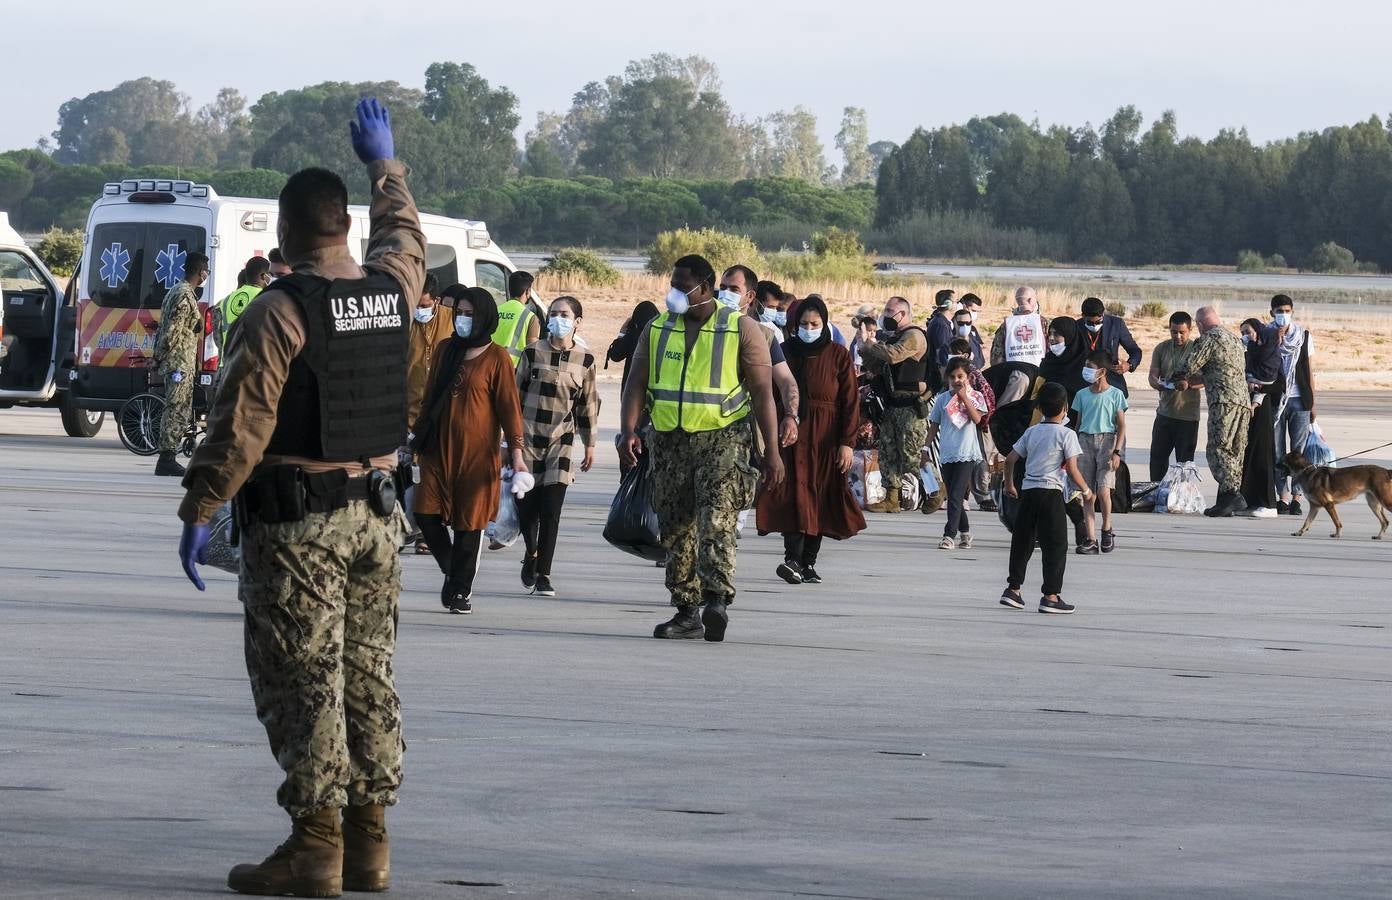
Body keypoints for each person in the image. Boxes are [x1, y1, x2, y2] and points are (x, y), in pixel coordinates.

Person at [175, 99, 425, 896]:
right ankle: (370, 843)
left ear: (281, 236)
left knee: (302, 676)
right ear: (345, 226)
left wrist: (200, 507)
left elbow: (240, 426)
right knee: (368, 671)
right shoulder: (391, 289)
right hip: (378, 519)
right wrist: (386, 167)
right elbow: (407, 239)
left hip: (300, 522)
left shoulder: (280, 311)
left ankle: (316, 849)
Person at [619, 254, 783, 642]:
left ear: (705, 288)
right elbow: (636, 384)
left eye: (681, 286)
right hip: (669, 441)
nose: (673, 292)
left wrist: (772, 451)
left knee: (717, 520)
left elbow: (763, 393)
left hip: (723, 440)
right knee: (675, 528)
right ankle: (686, 610)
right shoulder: (658, 328)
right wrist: (628, 431)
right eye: (672, 284)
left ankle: (717, 600)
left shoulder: (741, 329)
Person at [412, 285, 530, 614]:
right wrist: (415, 439)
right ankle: (452, 569)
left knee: (469, 524)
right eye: (459, 313)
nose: (463, 320)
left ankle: (461, 590)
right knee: (424, 514)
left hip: (477, 456)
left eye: (469, 314)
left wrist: (516, 454)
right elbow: (429, 396)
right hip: (437, 450)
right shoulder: (446, 348)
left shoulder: (497, 358)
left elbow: (510, 410)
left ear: (485, 318)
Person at [756, 295, 864, 584]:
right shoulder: (785, 350)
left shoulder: (838, 354)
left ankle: (808, 563)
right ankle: (792, 558)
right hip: (791, 434)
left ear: (825, 323)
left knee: (820, 495)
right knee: (793, 493)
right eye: (803, 323)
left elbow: (850, 402)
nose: (809, 328)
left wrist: (847, 442)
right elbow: (770, 392)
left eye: (815, 323)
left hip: (826, 437)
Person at [515, 296, 599, 597]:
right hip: (526, 439)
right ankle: (531, 550)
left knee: (551, 510)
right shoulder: (531, 353)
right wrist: (506, 440)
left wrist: (590, 445)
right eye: (553, 313)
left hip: (560, 442)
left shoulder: (585, 360)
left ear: (577, 321)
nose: (557, 319)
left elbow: (588, 406)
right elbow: (513, 398)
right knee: (526, 508)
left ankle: (544, 575)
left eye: (564, 314)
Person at [1001, 383, 1094, 615]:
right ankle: (1050, 595)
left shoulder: (1031, 432)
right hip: (1051, 494)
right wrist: (1086, 490)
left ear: (1040, 407)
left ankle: (1013, 589)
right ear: (1065, 407)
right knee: (1055, 544)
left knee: (1022, 541)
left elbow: (1010, 459)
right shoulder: (1067, 434)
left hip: (1029, 492)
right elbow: (1072, 469)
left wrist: (1010, 484)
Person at [1174, 306, 1250, 517]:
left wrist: (1177, 377)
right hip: (1243, 404)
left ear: (1199, 325)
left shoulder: (1210, 338)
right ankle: (1228, 500)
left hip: (1223, 403)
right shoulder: (1234, 340)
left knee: (1217, 449)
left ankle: (1232, 494)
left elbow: (1190, 364)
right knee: (1235, 451)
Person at [858, 296, 929, 514]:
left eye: (890, 311)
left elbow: (892, 356)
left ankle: (936, 490)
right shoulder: (892, 337)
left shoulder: (914, 336)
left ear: (903, 314)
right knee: (888, 453)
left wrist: (871, 343)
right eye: (885, 310)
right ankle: (892, 497)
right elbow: (876, 366)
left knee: (911, 456)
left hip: (910, 407)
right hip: (891, 404)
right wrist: (864, 348)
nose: (885, 315)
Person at [719, 265, 800, 447]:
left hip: (745, 434)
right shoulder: (703, 331)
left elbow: (787, 381)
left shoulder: (764, 336)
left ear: (750, 297)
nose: (725, 295)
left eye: (734, 290)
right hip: (703, 430)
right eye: (723, 288)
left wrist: (791, 415)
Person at [151, 250, 209, 477]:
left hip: (180, 361)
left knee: (180, 408)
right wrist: (159, 356)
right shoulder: (184, 295)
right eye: (206, 271)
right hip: (178, 362)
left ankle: (168, 456)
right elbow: (172, 330)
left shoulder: (176, 291)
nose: (207, 275)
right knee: (176, 409)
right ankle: (166, 458)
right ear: (200, 272)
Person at [927, 357, 989, 550]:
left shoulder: (976, 396)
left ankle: (949, 535)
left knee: (955, 495)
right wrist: (924, 449)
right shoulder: (942, 399)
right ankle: (965, 531)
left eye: (960, 376)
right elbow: (933, 426)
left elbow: (978, 419)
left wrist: (963, 398)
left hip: (967, 453)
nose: (956, 380)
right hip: (947, 452)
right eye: (952, 377)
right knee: (953, 495)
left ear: (968, 377)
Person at [1071, 350, 1129, 554]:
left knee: (1104, 490)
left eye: (1091, 367)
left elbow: (1121, 425)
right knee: (1087, 494)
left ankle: (1107, 528)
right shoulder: (1081, 395)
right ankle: (1091, 538)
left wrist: (1117, 452)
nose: (1086, 371)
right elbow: (1077, 425)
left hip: (1107, 441)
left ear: (1102, 371)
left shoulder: (1115, 394)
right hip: (1085, 442)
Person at [1271, 294, 1316, 517]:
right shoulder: (1266, 333)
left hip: (1300, 400)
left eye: (1286, 311)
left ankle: (1298, 496)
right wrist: (1275, 341)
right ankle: (1283, 497)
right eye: (1279, 311)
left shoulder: (1303, 336)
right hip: (1276, 400)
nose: (1283, 315)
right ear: (1272, 313)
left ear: (1292, 312)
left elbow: (1308, 370)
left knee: (1298, 450)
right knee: (1277, 450)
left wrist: (1312, 402)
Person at [1147, 312, 1202, 481]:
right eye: (1173, 332)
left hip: (1188, 417)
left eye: (1181, 332)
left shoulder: (1197, 349)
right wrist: (1158, 384)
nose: (1177, 336)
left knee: (1184, 463)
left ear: (1190, 330)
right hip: (1165, 413)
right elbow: (1152, 375)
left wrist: (1189, 384)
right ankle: (1154, 492)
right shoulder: (1161, 348)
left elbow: (1207, 379)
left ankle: (1183, 496)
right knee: (1157, 458)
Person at [946, 337, 998, 512]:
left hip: (975, 422)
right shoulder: (952, 372)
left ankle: (982, 496)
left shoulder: (973, 374)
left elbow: (986, 398)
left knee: (978, 459)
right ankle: (962, 496)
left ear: (966, 355)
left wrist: (982, 421)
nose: (951, 356)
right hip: (957, 424)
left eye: (956, 353)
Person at [1238, 318, 1281, 518]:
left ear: (1258, 331)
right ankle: (1249, 500)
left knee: (1263, 453)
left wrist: (1256, 389)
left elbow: (1272, 380)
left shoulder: (1271, 352)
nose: (1246, 336)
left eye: (1248, 331)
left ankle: (1268, 503)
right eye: (1243, 333)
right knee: (1250, 453)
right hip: (1251, 408)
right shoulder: (1253, 353)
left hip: (1264, 409)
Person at [405, 273, 453, 425]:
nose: (419, 310)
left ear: (437, 301)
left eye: (424, 306)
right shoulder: (403, 320)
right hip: (409, 413)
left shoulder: (452, 319)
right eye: (415, 305)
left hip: (442, 411)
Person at [1076, 296, 1141, 395]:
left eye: (1098, 322)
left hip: (1112, 382)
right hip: (1083, 383)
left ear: (1103, 314)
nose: (1094, 326)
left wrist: (1129, 365)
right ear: (1083, 316)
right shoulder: (1076, 326)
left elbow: (1135, 350)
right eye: (1090, 323)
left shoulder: (1116, 324)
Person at [216, 255, 271, 351]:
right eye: (270, 275)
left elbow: (217, 336)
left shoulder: (224, 301)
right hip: (252, 363)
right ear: (263, 276)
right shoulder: (266, 299)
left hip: (227, 362)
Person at [606, 299, 660, 393]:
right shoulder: (662, 335)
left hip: (632, 389)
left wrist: (622, 333)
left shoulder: (634, 335)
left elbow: (615, 355)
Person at [990, 286, 1049, 366]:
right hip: (1040, 373)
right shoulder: (1043, 322)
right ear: (1030, 300)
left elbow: (996, 358)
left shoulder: (1006, 325)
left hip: (1013, 374)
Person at [492, 270, 542, 367]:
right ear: (527, 291)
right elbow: (532, 350)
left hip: (490, 364)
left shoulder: (496, 310)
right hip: (513, 368)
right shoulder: (530, 317)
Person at [924, 288, 955, 392]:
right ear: (948, 304)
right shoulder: (940, 325)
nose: (957, 304)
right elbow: (941, 354)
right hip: (938, 376)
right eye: (955, 301)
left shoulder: (940, 322)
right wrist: (946, 380)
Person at [940, 304, 984, 369]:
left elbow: (980, 365)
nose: (965, 326)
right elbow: (944, 369)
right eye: (961, 323)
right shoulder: (947, 346)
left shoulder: (975, 344)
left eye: (968, 323)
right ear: (954, 323)